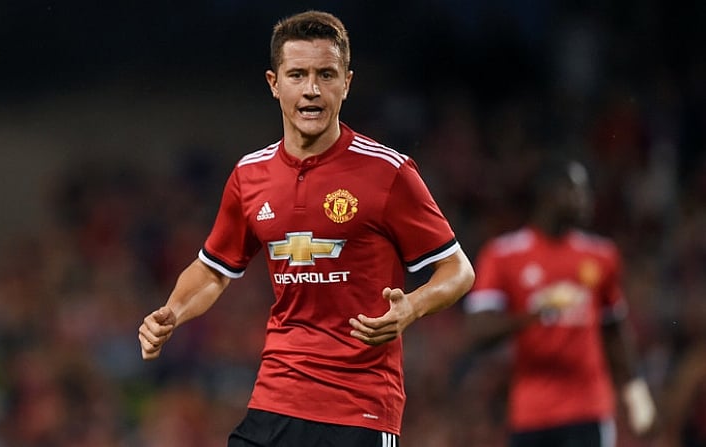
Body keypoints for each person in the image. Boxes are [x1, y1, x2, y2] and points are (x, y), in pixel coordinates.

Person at [137, 10, 475, 447]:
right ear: (274, 84)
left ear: (347, 83)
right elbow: (214, 269)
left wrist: (411, 308)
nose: (312, 90)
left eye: (326, 74)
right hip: (276, 398)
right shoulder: (249, 176)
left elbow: (459, 270)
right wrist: (172, 313)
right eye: (297, 74)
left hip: (361, 409)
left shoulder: (388, 172)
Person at [463, 156, 657, 446]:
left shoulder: (601, 255)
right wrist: (536, 313)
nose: (586, 200)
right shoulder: (503, 254)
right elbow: (477, 330)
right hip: (531, 411)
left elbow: (613, 328)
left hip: (588, 408)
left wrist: (635, 389)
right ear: (549, 194)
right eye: (577, 190)